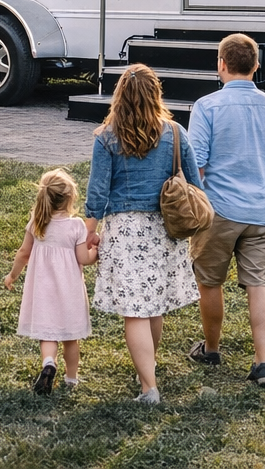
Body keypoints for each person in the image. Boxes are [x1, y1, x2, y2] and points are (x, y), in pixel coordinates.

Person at [84, 65, 202, 405]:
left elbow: (97, 193)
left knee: (135, 311)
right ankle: (145, 369)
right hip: (164, 230)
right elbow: (195, 184)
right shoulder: (176, 133)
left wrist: (89, 232)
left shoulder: (107, 137)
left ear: (119, 96)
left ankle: (149, 388)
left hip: (125, 231)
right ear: (156, 94)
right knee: (153, 306)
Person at [185, 34, 265, 388]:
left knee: (210, 282)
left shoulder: (206, 106)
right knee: (259, 284)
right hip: (264, 212)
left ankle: (212, 349)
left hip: (218, 211)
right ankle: (263, 362)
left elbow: (196, 164)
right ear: (257, 65)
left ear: (221, 65)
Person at [3, 169, 97, 396]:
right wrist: (97, 252)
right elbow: (84, 259)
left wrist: (12, 275)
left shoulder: (37, 222)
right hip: (69, 291)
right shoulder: (76, 226)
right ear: (71, 198)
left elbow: (24, 253)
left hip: (43, 290)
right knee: (70, 337)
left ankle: (48, 362)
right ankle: (71, 379)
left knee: (48, 334)